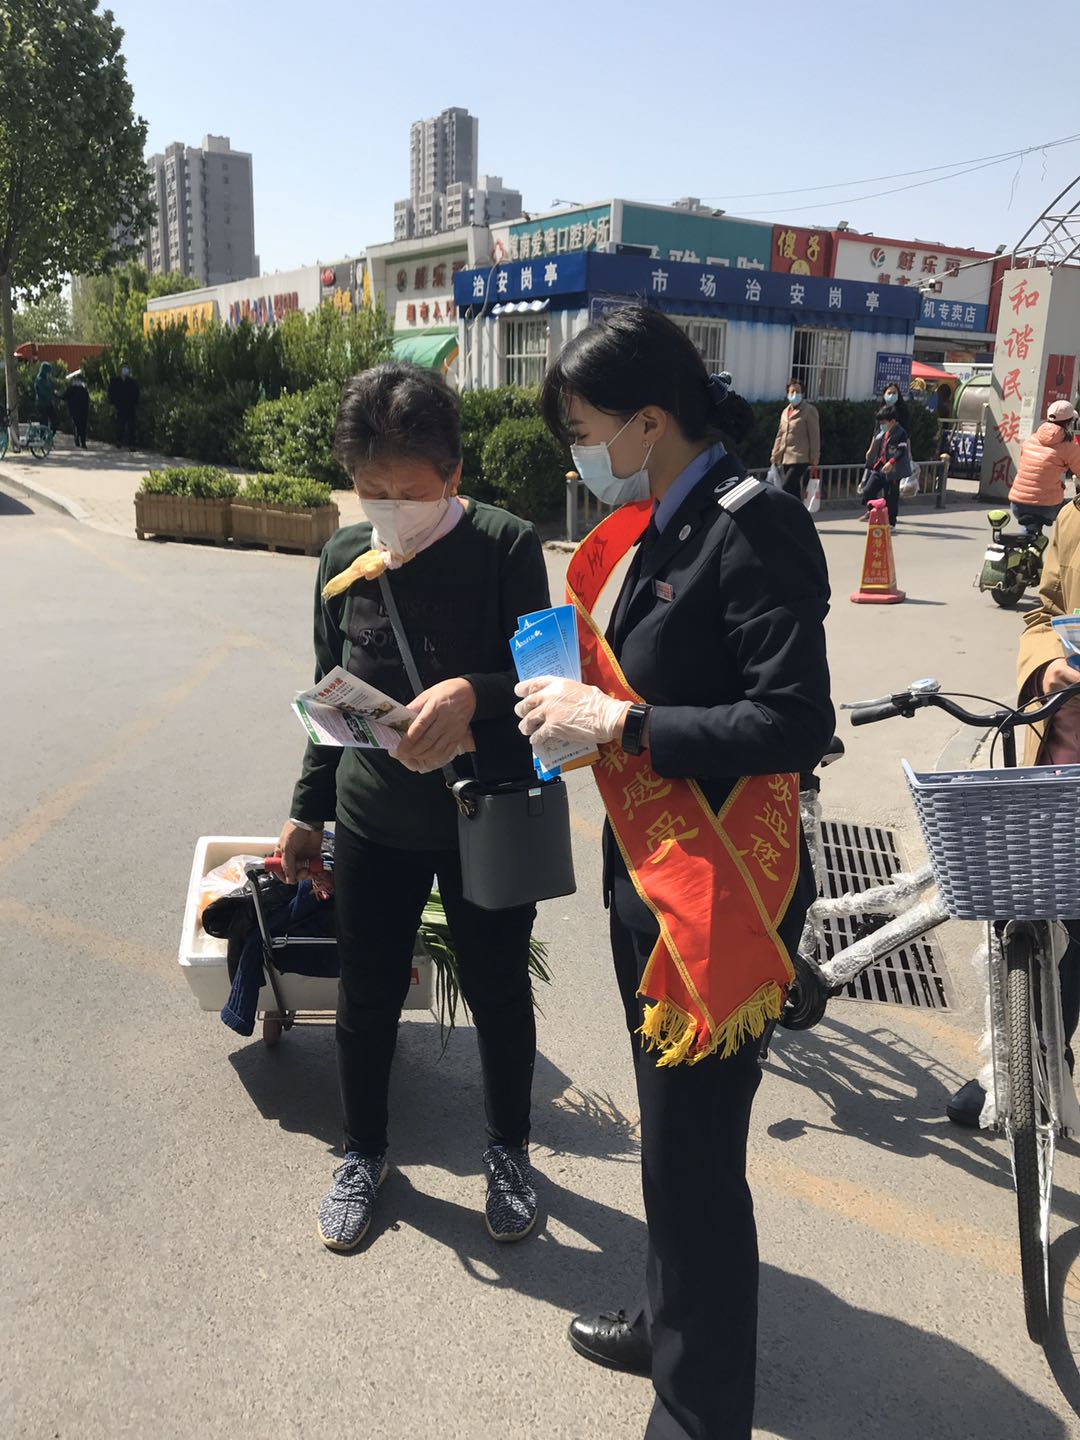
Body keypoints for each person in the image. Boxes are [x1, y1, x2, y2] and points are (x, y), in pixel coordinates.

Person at [516, 307, 834, 1440]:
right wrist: (579, 715)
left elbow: (793, 721)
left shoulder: (755, 526)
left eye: (585, 429)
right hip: (653, 884)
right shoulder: (667, 521)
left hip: (719, 900)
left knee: (698, 1170)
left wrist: (625, 723)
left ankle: (698, 1414)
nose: (579, 454)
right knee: (671, 1144)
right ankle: (666, 1319)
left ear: (648, 421)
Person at [276, 363, 551, 1253]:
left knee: (499, 990)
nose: (390, 510)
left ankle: (509, 1151)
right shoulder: (341, 559)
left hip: (484, 821)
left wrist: (474, 694)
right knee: (365, 992)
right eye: (371, 491)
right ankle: (363, 1153)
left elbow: (547, 686)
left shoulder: (506, 546)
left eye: (410, 491)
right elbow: (329, 700)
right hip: (374, 822)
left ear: (454, 473)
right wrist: (307, 813)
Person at [948, 491, 1080, 1126]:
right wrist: (1049, 664)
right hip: (1062, 755)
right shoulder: (1075, 517)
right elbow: (1045, 613)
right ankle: (1016, 1065)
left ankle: (1043, 1059)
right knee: (1037, 918)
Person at [1007, 400, 1080, 531]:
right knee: (1073, 510)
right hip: (1046, 506)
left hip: (1017, 503)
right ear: (1069, 422)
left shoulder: (1031, 439)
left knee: (1029, 529)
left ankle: (1029, 540)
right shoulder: (1068, 446)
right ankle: (1063, 542)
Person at [770, 377, 820, 500]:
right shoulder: (785, 412)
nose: (794, 395)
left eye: (798, 392)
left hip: (800, 457)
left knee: (785, 486)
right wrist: (775, 454)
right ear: (787, 393)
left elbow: (814, 436)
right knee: (793, 491)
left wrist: (814, 458)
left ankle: (785, 510)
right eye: (792, 392)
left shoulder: (809, 411)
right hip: (786, 457)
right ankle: (798, 510)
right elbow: (780, 434)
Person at [861, 405, 910, 529]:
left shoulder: (900, 433)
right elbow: (875, 441)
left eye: (884, 422)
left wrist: (891, 462)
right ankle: (873, 511)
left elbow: (901, 450)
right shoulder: (882, 432)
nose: (881, 425)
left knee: (891, 497)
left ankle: (891, 522)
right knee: (868, 490)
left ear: (892, 421)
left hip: (893, 470)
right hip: (879, 466)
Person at [107, 364, 139, 449]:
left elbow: (136, 393)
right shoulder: (115, 381)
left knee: (131, 426)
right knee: (120, 425)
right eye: (124, 368)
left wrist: (135, 403)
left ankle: (131, 444)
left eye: (127, 368)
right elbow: (111, 393)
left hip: (130, 406)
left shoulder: (132, 382)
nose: (125, 370)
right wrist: (112, 404)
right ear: (120, 370)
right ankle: (119, 440)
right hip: (119, 406)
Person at [65, 372, 90, 448]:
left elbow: (64, 396)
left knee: (78, 425)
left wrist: (56, 394)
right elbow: (87, 400)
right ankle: (81, 441)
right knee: (81, 425)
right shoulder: (82, 389)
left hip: (76, 410)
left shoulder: (73, 389)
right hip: (82, 410)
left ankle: (79, 439)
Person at [34, 361, 57, 431]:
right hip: (42, 404)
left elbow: (50, 390)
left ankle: (50, 434)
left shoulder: (46, 380)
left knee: (54, 420)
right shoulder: (40, 380)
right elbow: (44, 392)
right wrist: (51, 394)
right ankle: (42, 436)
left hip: (48, 403)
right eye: (48, 372)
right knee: (44, 423)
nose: (49, 374)